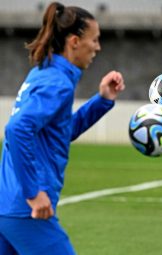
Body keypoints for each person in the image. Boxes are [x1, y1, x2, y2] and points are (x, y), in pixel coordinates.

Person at [0, 2, 125, 254]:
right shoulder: (57, 82)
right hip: (25, 209)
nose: (97, 47)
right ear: (74, 41)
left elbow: (60, 133)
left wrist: (101, 101)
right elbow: (16, 129)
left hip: (8, 206)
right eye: (95, 40)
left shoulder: (42, 73)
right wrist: (34, 192)